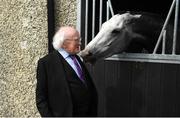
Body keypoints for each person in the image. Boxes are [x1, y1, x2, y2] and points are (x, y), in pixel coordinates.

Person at [36, 26, 98, 117]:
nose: (80, 43)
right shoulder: (46, 63)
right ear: (64, 43)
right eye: (76, 40)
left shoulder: (78, 58)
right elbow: (41, 99)